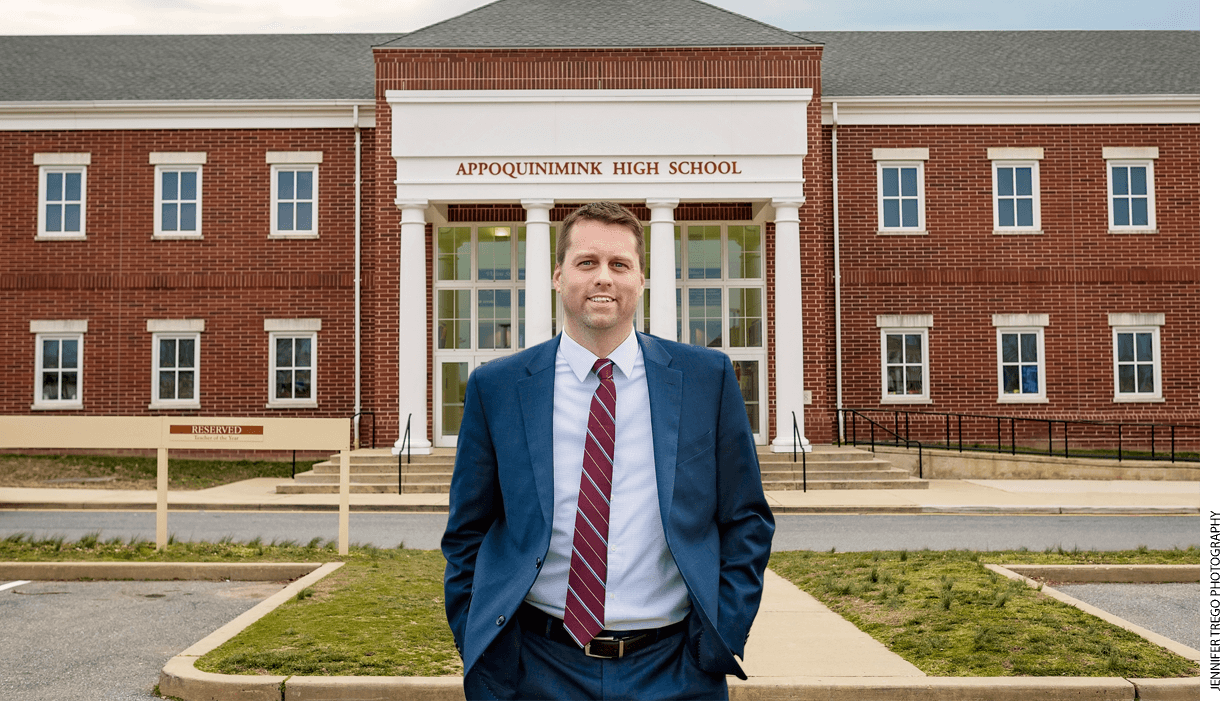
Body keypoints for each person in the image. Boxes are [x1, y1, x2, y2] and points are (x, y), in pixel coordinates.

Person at [441, 201, 775, 700]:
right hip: (537, 668)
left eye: (620, 265)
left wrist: (721, 635)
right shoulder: (499, 387)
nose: (604, 278)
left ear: (641, 279)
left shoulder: (707, 379)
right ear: (558, 276)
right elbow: (467, 530)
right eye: (586, 263)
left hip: (674, 669)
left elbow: (746, 517)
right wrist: (476, 639)